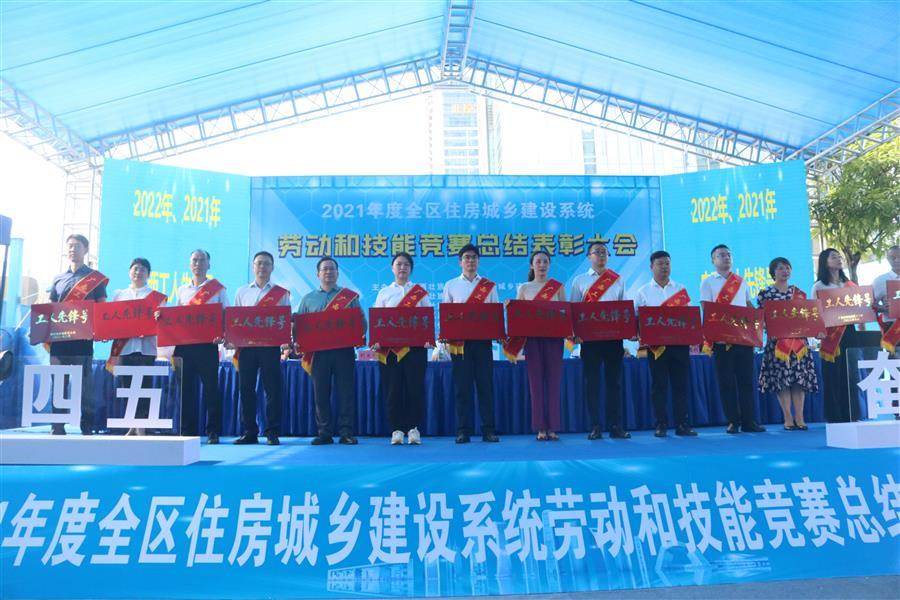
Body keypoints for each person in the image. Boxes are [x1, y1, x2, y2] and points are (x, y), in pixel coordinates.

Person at [297, 256, 365, 445]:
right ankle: (324, 433)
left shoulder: (350, 297)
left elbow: (361, 321)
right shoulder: (308, 299)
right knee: (320, 394)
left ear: (337, 273)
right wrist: (298, 342)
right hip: (318, 353)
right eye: (324, 269)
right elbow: (300, 326)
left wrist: (360, 336)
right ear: (318, 274)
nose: (328, 272)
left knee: (346, 393)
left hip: (344, 351)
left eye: (332, 269)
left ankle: (346, 432)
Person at [699, 244, 766, 434]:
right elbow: (707, 309)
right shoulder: (707, 282)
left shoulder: (741, 281)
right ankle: (732, 421)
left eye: (728, 254)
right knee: (726, 381)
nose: (726, 257)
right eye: (721, 255)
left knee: (746, 381)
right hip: (722, 340)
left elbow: (747, 304)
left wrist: (759, 319)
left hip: (743, 339)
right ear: (713, 260)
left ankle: (749, 421)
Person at [569, 241, 631, 440]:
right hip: (590, 341)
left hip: (613, 339)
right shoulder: (580, 281)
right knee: (592, 383)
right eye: (597, 252)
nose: (601, 255)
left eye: (604, 252)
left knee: (615, 383)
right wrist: (575, 334)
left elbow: (624, 310)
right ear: (589, 257)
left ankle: (616, 426)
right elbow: (574, 311)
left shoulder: (617, 280)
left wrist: (627, 333)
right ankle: (595, 426)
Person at [47, 234, 107, 435]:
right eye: (70, 246)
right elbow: (51, 308)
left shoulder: (95, 278)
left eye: (77, 246)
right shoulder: (58, 279)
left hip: (83, 339)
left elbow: (102, 308)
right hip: (59, 339)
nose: (73, 249)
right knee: (59, 383)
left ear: (86, 250)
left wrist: (100, 330)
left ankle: (87, 424)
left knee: (84, 384)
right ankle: (57, 424)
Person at [441, 244, 500, 444]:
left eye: (474, 257)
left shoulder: (489, 286)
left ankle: (488, 430)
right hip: (460, 344)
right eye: (466, 257)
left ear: (479, 261)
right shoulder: (450, 285)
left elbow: (495, 315)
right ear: (460, 262)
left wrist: (499, 333)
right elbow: (446, 316)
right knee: (462, 389)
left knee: (485, 388)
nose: (470, 261)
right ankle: (462, 431)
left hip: (483, 344)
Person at [635, 250, 697, 438]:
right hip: (657, 348)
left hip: (679, 346)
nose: (664, 267)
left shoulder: (680, 289)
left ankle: (682, 424)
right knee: (659, 386)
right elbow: (638, 319)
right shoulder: (643, 292)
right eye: (660, 264)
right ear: (651, 267)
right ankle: (661, 424)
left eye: (667, 263)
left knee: (681, 385)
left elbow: (688, 318)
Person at [231, 251, 290, 446]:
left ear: (272, 268)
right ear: (253, 267)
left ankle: (272, 432)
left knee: (272, 390)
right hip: (246, 349)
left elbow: (284, 321)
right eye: (259, 263)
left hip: (270, 348)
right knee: (246, 389)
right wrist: (232, 339)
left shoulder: (282, 293)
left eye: (266, 264)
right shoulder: (242, 292)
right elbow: (235, 320)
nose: (262, 267)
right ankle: (249, 431)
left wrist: (285, 342)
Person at [373, 252, 430, 445]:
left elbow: (427, 319)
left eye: (406, 264)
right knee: (393, 390)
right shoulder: (384, 293)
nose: (402, 268)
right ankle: (396, 429)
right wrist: (376, 340)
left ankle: (413, 429)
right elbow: (377, 321)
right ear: (392, 268)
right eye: (399, 264)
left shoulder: (420, 292)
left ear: (411, 268)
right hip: (390, 351)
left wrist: (428, 339)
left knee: (415, 389)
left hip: (416, 350)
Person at [173, 249, 228, 444]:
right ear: (190, 265)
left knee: (211, 390)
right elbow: (176, 319)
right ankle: (187, 430)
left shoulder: (218, 289)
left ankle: (213, 431)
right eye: (195, 260)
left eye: (202, 260)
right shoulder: (182, 290)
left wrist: (222, 335)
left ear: (209, 264)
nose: (198, 264)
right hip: (184, 347)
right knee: (185, 391)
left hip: (207, 346)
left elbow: (225, 316)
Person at [756, 257, 817, 430]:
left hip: (799, 344)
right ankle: (788, 418)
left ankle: (800, 417)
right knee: (782, 381)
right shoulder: (765, 294)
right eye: (781, 268)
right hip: (778, 344)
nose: (785, 271)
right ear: (773, 272)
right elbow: (761, 318)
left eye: (788, 268)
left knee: (798, 380)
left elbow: (806, 317)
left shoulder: (798, 293)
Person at [110, 257, 166, 436]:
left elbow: (164, 323)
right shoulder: (119, 295)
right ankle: (133, 425)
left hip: (146, 348)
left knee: (144, 387)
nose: (138, 272)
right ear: (129, 272)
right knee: (127, 387)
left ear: (148, 274)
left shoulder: (157, 297)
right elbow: (111, 320)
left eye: (142, 269)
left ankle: (141, 426)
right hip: (124, 348)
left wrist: (159, 318)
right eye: (135, 268)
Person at [514, 250, 566, 441]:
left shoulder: (558, 287)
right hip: (532, 341)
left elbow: (564, 313)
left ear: (549, 265)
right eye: (538, 262)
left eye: (545, 261)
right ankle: (540, 428)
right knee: (535, 384)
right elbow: (518, 317)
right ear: (532, 265)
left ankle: (553, 427)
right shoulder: (524, 288)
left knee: (553, 382)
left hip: (554, 340)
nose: (542, 265)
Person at [812, 248, 859, 423]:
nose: (839, 259)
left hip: (849, 331)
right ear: (825, 262)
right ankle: (834, 414)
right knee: (833, 374)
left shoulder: (849, 285)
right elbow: (816, 312)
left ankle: (851, 413)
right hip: (831, 334)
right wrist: (818, 330)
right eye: (834, 257)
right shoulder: (819, 286)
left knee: (849, 372)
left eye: (839, 257)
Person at [873, 245, 900, 355]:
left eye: (899, 256)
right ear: (887, 259)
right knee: (896, 361)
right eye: (893, 257)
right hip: (893, 327)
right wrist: (883, 308)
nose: (897, 260)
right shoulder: (880, 280)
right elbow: (871, 305)